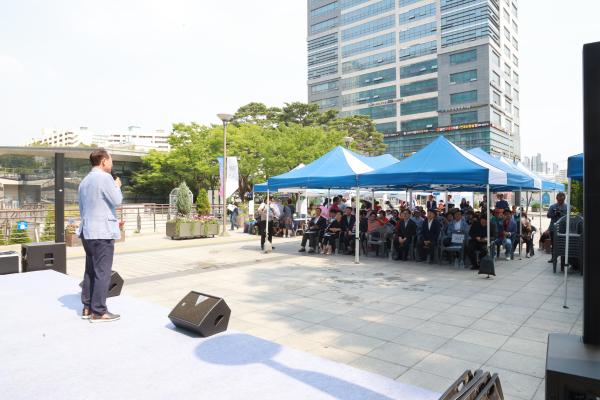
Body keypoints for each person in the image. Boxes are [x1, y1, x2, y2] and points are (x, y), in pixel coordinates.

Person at [78, 149, 123, 322]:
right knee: (102, 272)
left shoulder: (85, 180)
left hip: (87, 231)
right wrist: (117, 186)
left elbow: (83, 207)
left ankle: (87, 307)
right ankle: (99, 311)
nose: (112, 164)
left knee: (90, 270)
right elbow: (117, 201)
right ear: (104, 161)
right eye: (111, 160)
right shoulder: (105, 178)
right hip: (102, 231)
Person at [547, 192, 567, 263]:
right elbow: (548, 215)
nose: (560, 201)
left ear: (564, 199)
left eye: (562, 200)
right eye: (559, 200)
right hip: (553, 228)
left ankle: (563, 259)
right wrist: (554, 213)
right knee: (553, 243)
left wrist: (561, 213)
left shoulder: (567, 207)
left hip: (564, 229)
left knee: (563, 244)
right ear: (556, 199)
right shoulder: (552, 206)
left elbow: (569, 217)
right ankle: (553, 258)